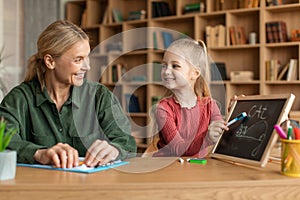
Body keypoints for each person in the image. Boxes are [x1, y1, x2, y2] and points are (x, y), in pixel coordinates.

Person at [0, 20, 136, 168]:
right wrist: (40, 153)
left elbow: (126, 142)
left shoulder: (100, 95)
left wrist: (114, 149)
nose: (87, 67)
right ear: (50, 61)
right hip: (38, 187)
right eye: (78, 60)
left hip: (91, 188)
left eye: (87, 57)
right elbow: (3, 142)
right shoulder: (19, 99)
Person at [153, 38, 228, 157]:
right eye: (164, 65)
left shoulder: (210, 105)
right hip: (169, 171)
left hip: (196, 169)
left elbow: (223, 133)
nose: (166, 71)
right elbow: (179, 149)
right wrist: (207, 138)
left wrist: (235, 109)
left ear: (195, 73)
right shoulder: (163, 108)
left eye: (175, 66)